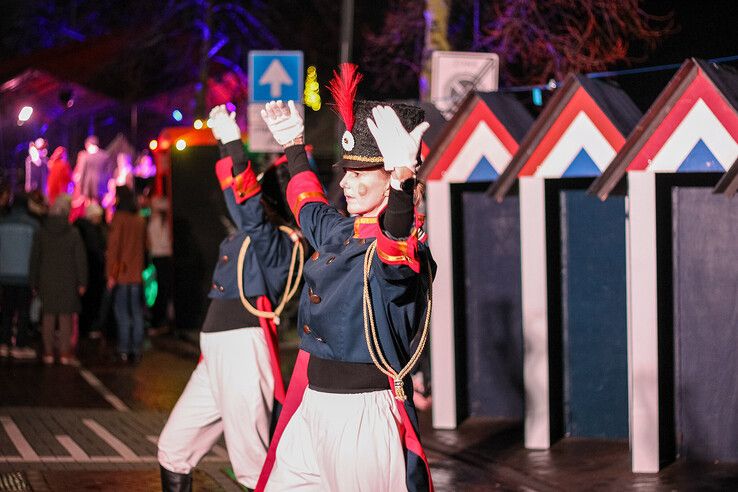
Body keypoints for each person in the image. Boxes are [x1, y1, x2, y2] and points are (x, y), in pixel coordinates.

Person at [256, 64, 435, 492]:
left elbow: (394, 256)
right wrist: (294, 147)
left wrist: (402, 188)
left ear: (390, 176)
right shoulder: (341, 229)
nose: (347, 182)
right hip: (312, 405)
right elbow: (307, 202)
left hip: (362, 416)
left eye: (359, 174)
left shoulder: (403, 243)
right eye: (347, 172)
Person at [157, 105, 298, 491]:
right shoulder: (256, 228)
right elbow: (238, 199)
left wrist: (235, 145)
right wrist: (224, 145)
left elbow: (248, 207)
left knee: (253, 469)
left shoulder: (277, 240)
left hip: (241, 351)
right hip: (217, 352)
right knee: (173, 449)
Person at [31, 194, 87, 365]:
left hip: (46, 279)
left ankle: (48, 352)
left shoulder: (41, 232)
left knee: (48, 316)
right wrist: (82, 281)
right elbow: (80, 259)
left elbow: (35, 258)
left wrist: (34, 281)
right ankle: (64, 353)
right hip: (68, 279)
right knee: (65, 317)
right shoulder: (73, 233)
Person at [106, 185, 147, 362]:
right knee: (136, 312)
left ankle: (123, 348)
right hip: (137, 273)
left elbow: (114, 248)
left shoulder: (119, 219)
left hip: (122, 273)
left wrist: (111, 275)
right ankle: (136, 348)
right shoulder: (140, 220)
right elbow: (146, 247)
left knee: (122, 311)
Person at [0, 193, 40, 360]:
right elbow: (37, 253)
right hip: (25, 275)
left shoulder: (2, 223)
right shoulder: (33, 226)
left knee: (6, 310)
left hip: (5, 274)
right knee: (23, 311)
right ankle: (20, 345)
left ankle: (3, 343)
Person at [74, 202, 107, 338]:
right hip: (94, 271)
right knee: (93, 300)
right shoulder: (92, 231)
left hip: (85, 270)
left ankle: (84, 326)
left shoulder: (79, 228)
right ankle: (90, 326)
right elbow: (96, 251)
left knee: (85, 301)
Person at [147, 196, 173, 334]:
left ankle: (158, 320)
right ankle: (161, 319)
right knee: (164, 289)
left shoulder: (154, 222)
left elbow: (149, 241)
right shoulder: (166, 223)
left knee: (161, 289)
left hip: (157, 256)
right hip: (165, 256)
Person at [74, 136, 113, 203]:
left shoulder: (85, 156)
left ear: (87, 144)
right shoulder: (105, 156)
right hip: (102, 186)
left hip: (88, 186)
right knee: (100, 206)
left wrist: (80, 187)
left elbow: (82, 172)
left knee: (90, 207)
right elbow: (109, 172)